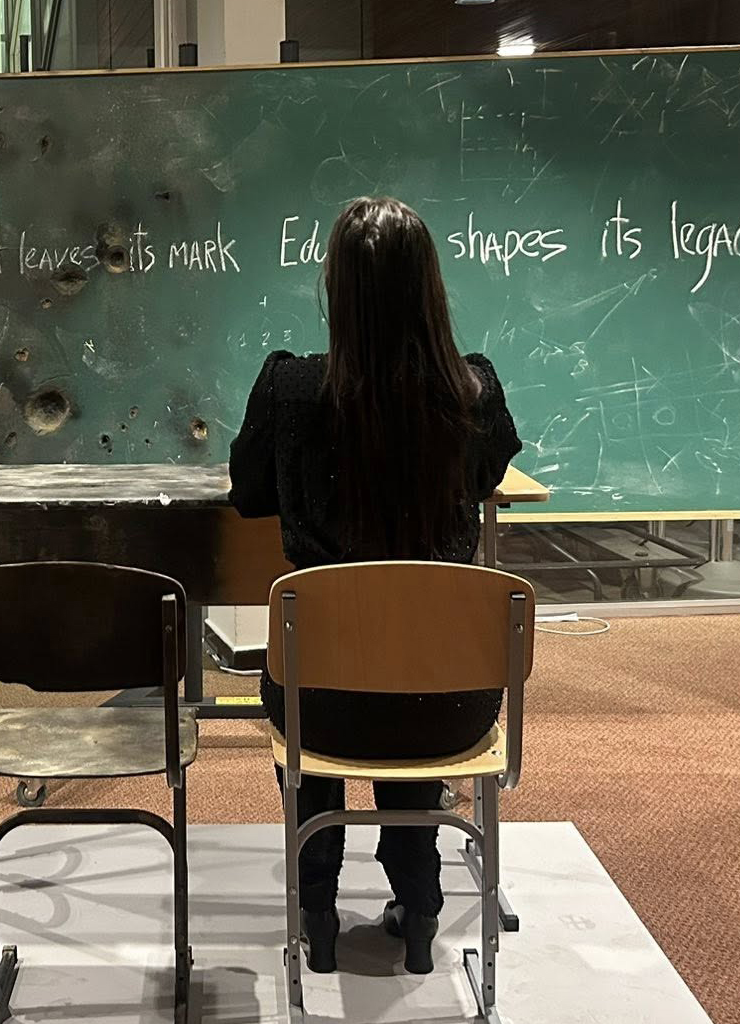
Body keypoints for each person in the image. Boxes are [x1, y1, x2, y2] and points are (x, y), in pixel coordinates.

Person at [228, 196, 522, 977]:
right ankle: (419, 907)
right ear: (430, 286)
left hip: (320, 697)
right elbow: (488, 475)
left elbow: (248, 493)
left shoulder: (290, 389)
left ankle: (317, 910)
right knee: (410, 671)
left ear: (337, 287)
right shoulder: (474, 392)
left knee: (325, 684)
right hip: (451, 699)